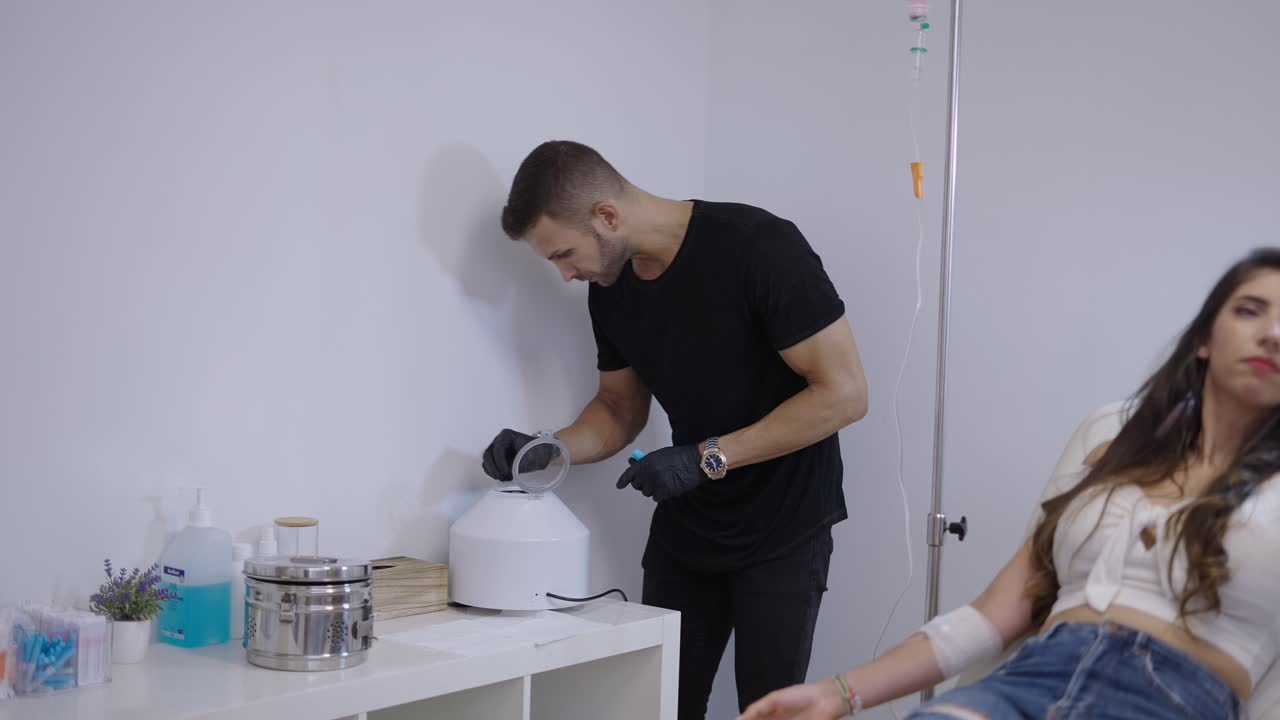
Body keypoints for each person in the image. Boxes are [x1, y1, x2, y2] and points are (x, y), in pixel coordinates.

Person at [740, 248, 1280, 720]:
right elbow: (991, 616)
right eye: (1251, 310)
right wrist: (838, 694)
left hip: (1172, 698)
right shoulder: (1114, 452)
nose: (1272, 333)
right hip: (1030, 678)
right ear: (1206, 337)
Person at [480, 140, 869, 718]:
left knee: (768, 710)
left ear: (606, 215)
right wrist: (548, 449)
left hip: (783, 527)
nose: (565, 274)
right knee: (659, 703)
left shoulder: (759, 247)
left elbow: (844, 394)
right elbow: (618, 409)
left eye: (563, 254)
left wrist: (705, 457)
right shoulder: (610, 288)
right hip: (689, 529)